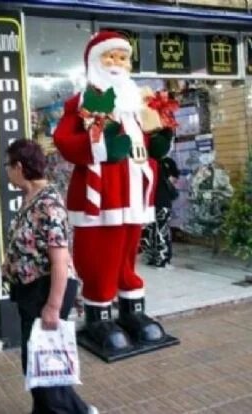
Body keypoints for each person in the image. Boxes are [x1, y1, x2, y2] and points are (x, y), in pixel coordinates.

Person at [53, 31, 174, 355]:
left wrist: (159, 144)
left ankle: (131, 309)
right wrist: (104, 149)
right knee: (99, 255)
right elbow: (64, 141)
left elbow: (144, 141)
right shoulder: (83, 102)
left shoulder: (136, 101)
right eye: (111, 56)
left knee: (127, 252)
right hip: (102, 194)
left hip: (134, 193)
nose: (117, 63)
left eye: (123, 57)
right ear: (95, 60)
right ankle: (98, 313)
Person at [2, 139, 97, 414]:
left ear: (19, 166)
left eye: (9, 166)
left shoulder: (49, 203)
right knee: (37, 361)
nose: (8, 172)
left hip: (48, 289)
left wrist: (53, 307)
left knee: (44, 365)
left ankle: (78, 411)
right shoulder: (31, 198)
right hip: (30, 290)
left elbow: (59, 259)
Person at [141, 156, 179, 268]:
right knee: (161, 231)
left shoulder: (144, 161)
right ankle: (162, 259)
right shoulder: (167, 162)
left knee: (149, 231)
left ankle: (150, 257)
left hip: (148, 203)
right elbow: (174, 179)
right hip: (163, 202)